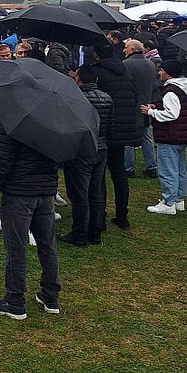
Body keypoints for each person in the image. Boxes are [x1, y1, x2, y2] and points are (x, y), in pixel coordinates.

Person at [0, 114, 61, 320]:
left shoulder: (10, 120)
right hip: (45, 190)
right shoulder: (54, 120)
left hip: (20, 193)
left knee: (17, 247)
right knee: (47, 245)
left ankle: (15, 301)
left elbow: (3, 158)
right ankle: (50, 296)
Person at [58, 66, 113, 247]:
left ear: (79, 79)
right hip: (101, 148)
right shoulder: (107, 98)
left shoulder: (76, 99)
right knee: (95, 192)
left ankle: (80, 234)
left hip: (81, 150)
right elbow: (110, 124)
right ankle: (94, 232)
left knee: (79, 194)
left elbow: (69, 126)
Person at [92, 44, 141, 230]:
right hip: (123, 128)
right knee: (119, 173)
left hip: (103, 128)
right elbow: (134, 98)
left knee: (99, 175)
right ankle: (122, 214)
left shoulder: (98, 73)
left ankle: (100, 216)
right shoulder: (126, 72)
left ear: (97, 55)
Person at [142, 60, 187, 216]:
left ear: (168, 73)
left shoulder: (170, 91)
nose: (159, 73)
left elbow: (172, 114)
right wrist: (157, 106)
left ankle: (168, 202)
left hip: (169, 135)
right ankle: (179, 200)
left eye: (162, 70)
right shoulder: (181, 88)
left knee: (168, 170)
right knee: (179, 169)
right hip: (181, 135)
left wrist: (152, 113)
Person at [122, 39, 159, 178]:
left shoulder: (125, 65)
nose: (124, 50)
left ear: (132, 50)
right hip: (146, 104)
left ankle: (128, 168)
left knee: (128, 138)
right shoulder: (150, 64)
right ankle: (151, 166)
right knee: (146, 136)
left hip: (130, 105)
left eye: (126, 47)